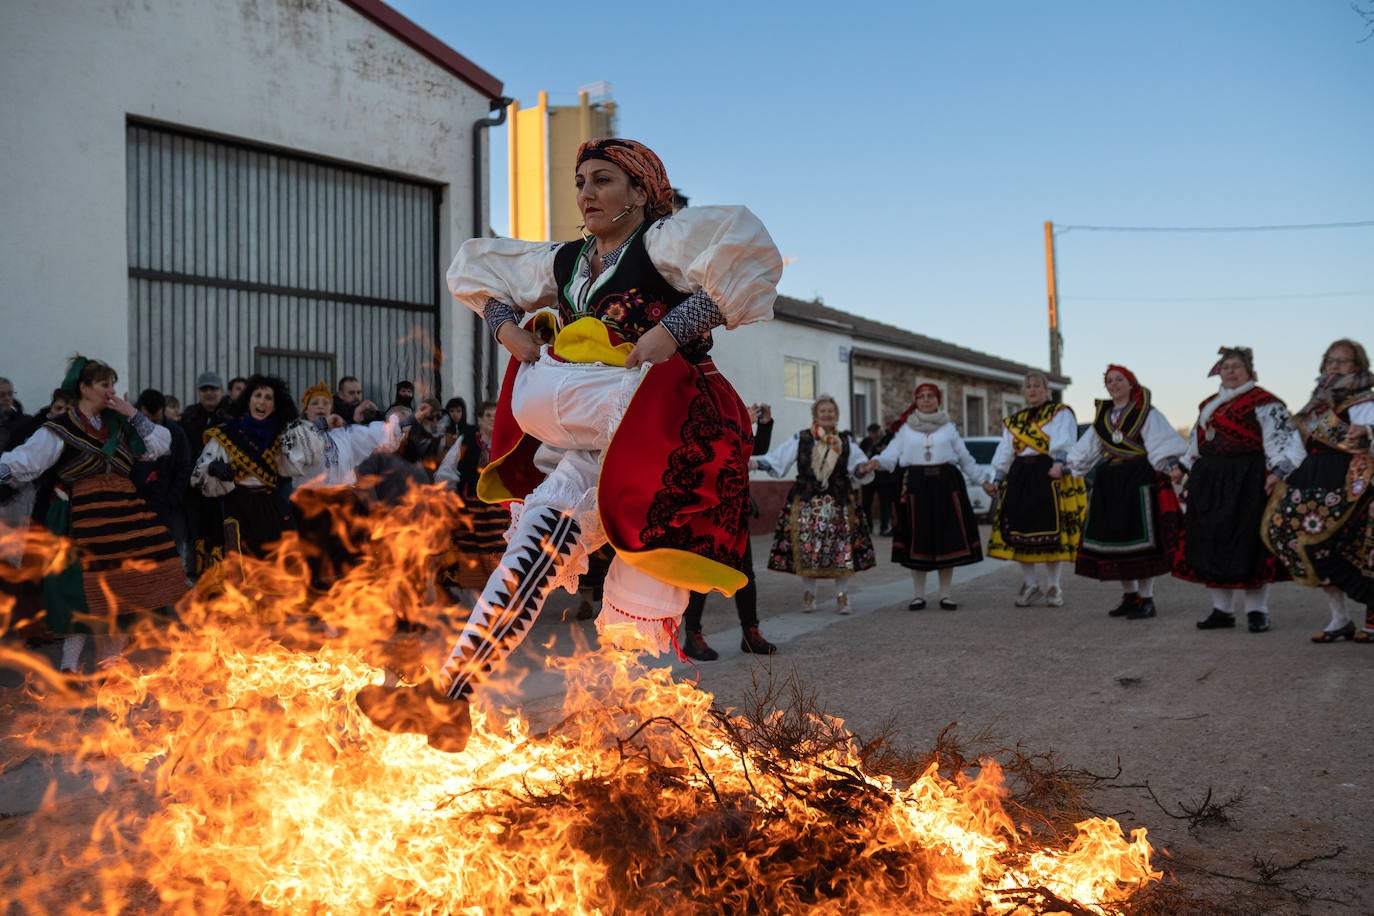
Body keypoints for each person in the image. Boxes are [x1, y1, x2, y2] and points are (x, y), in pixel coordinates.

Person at [356, 136, 782, 752]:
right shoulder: (567, 262)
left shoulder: (660, 246)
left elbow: (747, 257)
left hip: (655, 438)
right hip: (587, 442)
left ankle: (657, 746)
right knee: (530, 546)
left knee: (634, 618)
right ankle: (450, 698)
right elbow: (477, 273)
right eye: (581, 180)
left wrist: (672, 330)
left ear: (641, 193)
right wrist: (507, 329)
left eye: (604, 180)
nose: (586, 191)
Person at [0, 356, 185, 674]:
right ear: (84, 388)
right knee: (78, 593)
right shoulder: (61, 428)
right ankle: (69, 668)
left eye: (113, 384)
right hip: (78, 518)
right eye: (104, 385)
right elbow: (26, 461)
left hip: (121, 518)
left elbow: (160, 446)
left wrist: (132, 413)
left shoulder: (122, 424)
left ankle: (111, 667)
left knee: (123, 590)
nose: (111, 391)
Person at [1171, 348, 1306, 633]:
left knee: (1249, 543)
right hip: (1210, 479)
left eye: (1236, 366)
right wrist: (1183, 467)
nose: (1230, 371)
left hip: (1249, 478)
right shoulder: (1208, 405)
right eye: (1226, 366)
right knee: (1213, 541)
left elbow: (1282, 440)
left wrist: (1278, 472)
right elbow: (1197, 442)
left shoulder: (1266, 403)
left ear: (1249, 371)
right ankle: (1222, 611)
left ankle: (1257, 612)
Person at [1261, 339, 1374, 642]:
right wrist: (1278, 473)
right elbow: (1296, 447)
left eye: (1343, 361)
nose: (1335, 366)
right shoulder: (1316, 405)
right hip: (1311, 481)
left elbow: (1367, 434)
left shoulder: (1364, 401)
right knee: (1300, 541)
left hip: (1350, 485)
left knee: (1354, 551)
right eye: (1330, 361)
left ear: (1358, 366)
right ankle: (1340, 617)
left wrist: (1367, 431)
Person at [1067, 365, 1186, 620]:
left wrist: (1171, 465)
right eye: (1109, 381)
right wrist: (1071, 467)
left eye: (1119, 379)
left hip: (1139, 478)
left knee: (1140, 540)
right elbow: (1087, 448)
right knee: (1117, 540)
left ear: (1131, 383)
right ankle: (1131, 596)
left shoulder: (1146, 413)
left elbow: (1160, 443)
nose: (1114, 384)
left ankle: (1148, 599)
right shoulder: (1103, 418)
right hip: (1110, 481)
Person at [753, 394, 876, 614]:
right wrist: (756, 464)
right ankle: (809, 595)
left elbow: (857, 467)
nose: (827, 414)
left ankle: (842, 597)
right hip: (808, 503)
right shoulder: (802, 438)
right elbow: (779, 459)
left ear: (836, 415)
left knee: (841, 550)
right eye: (823, 411)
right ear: (815, 415)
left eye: (831, 411)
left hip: (839, 502)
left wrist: (863, 469)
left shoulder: (846, 441)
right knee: (808, 549)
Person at [869, 384, 987, 610]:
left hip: (946, 484)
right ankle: (919, 595)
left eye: (930, 396)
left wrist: (984, 481)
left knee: (946, 537)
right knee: (918, 536)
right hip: (917, 486)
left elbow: (965, 458)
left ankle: (945, 594)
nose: (926, 400)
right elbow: (892, 454)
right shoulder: (906, 429)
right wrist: (876, 462)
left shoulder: (949, 428)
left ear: (938, 400)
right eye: (921, 397)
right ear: (916, 400)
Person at [278, 381, 399, 592]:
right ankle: (316, 598)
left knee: (344, 554)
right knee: (315, 555)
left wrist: (399, 422)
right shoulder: (297, 431)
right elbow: (292, 451)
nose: (320, 406)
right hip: (312, 504)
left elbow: (373, 436)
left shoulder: (343, 433)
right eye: (314, 403)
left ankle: (342, 599)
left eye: (325, 403)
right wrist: (322, 424)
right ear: (305, 409)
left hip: (343, 501)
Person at [681, 402, 779, 659]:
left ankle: (751, 633)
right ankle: (693, 636)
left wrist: (764, 424)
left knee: (745, 574)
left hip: (735, 510)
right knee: (703, 576)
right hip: (706, 511)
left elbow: (754, 448)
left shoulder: (731, 423)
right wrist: (737, 423)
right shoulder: (697, 421)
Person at [984, 370, 1087, 607]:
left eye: (1036, 386)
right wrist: (997, 478)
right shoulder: (1016, 421)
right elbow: (1005, 451)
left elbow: (1064, 441)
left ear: (1047, 389)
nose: (1032, 390)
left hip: (1048, 473)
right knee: (1021, 529)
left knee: (1051, 530)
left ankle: (1054, 585)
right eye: (1028, 386)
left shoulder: (1060, 413)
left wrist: (1060, 463)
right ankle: (1030, 583)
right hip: (1020, 475)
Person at [190, 374, 298, 583]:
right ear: (248, 400)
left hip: (271, 508)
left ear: (275, 406)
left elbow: (298, 462)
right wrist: (213, 468)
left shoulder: (283, 436)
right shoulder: (226, 434)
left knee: (273, 569)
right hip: (238, 505)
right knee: (240, 566)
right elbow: (197, 475)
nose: (262, 401)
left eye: (268, 398)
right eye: (257, 395)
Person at [434, 400, 511, 601]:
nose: (493, 419)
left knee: (499, 552)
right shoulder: (467, 440)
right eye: (488, 416)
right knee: (471, 553)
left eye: (496, 415)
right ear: (478, 419)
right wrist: (450, 497)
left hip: (499, 508)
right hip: (471, 508)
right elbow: (447, 470)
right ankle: (477, 607)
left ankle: (499, 604)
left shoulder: (507, 440)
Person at [129, 388, 194, 569]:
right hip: (135, 501)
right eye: (146, 420)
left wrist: (173, 498)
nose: (151, 427)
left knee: (169, 550)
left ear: (163, 411)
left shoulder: (176, 433)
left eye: (156, 421)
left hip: (167, 502)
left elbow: (184, 467)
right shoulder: (128, 430)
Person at [179, 371, 228, 452]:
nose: (208, 393)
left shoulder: (231, 415)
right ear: (198, 391)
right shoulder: (189, 415)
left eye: (213, 388)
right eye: (204, 389)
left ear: (222, 390)